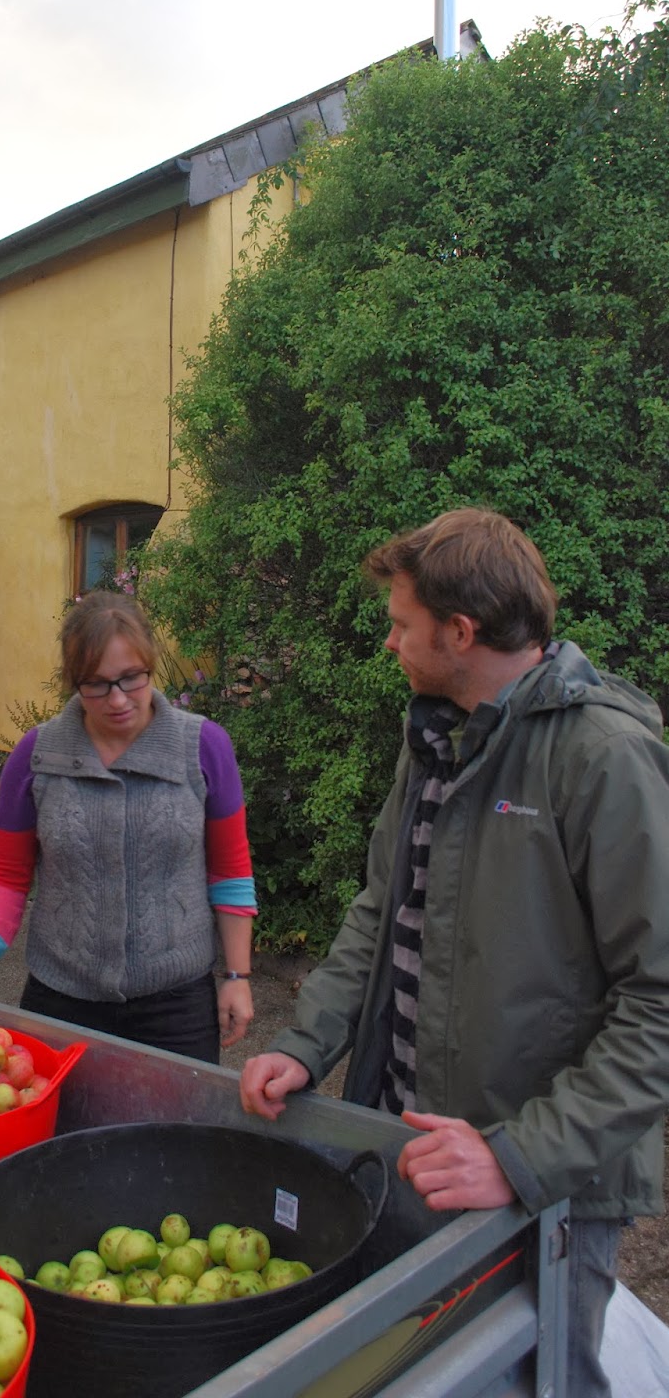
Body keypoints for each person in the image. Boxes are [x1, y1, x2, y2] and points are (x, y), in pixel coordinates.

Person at [239, 507, 669, 1397]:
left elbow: (658, 1002)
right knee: (428, 1374)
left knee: (543, 1379)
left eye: (402, 624)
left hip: (543, 1184)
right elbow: (381, 907)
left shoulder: (603, 758)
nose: (389, 642)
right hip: (419, 1152)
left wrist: (519, 1156)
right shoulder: (437, 738)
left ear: (460, 631)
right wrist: (305, 1043)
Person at [0, 589, 257, 1062]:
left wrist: (238, 977)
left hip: (177, 1007)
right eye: (97, 684)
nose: (118, 699)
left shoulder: (203, 747)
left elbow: (230, 871)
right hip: (62, 1000)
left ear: (150, 664)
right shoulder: (36, 756)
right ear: (73, 680)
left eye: (131, 678)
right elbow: (5, 874)